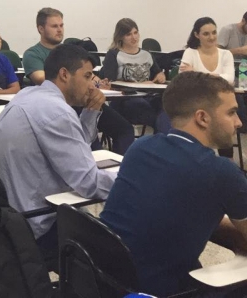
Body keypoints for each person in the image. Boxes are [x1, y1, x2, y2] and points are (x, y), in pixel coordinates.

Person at [101, 72, 247, 297]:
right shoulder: (221, 172)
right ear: (202, 118)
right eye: (231, 112)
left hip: (104, 279)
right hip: (158, 290)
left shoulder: (141, 147)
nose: (239, 122)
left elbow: (175, 212)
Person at [0, 44, 116, 265]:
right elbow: (88, 182)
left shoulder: (27, 94)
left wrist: (91, 112)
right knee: (117, 247)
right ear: (64, 74)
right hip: (35, 226)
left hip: (7, 216)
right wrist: (131, 182)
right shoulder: (57, 111)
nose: (92, 84)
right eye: (87, 76)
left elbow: (74, 145)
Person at [23, 8, 135, 154]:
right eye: (54, 26)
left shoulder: (71, 52)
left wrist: (99, 83)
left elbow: (87, 74)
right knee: (91, 145)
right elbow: (41, 78)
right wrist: (80, 80)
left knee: (125, 130)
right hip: (58, 107)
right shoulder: (32, 54)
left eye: (61, 25)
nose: (60, 30)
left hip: (85, 102)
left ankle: (119, 166)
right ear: (41, 29)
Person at [100, 18, 165, 129]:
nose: (134, 37)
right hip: (125, 98)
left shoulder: (146, 54)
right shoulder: (113, 54)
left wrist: (160, 76)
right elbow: (111, 82)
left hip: (147, 96)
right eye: (128, 34)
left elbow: (158, 73)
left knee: (165, 105)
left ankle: (161, 133)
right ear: (121, 37)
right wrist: (140, 85)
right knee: (146, 109)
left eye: (135, 33)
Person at [181, 17, 235, 83]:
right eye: (206, 34)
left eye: (214, 32)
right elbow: (183, 79)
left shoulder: (226, 54)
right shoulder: (190, 52)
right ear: (196, 35)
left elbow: (230, 79)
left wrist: (195, 73)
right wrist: (217, 77)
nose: (211, 37)